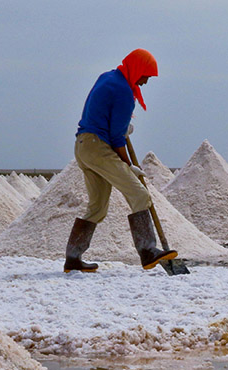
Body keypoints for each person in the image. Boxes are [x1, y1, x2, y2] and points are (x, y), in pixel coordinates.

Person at [64, 48, 177, 273]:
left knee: (97, 207)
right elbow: (116, 137)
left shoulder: (108, 77)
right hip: (98, 147)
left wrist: (121, 130)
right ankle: (148, 251)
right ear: (137, 69)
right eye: (145, 76)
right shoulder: (124, 91)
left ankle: (73, 258)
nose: (145, 82)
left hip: (83, 146)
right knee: (139, 194)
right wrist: (127, 165)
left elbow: (106, 117)